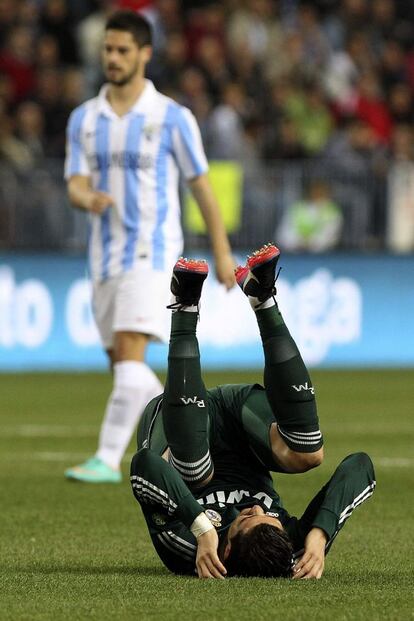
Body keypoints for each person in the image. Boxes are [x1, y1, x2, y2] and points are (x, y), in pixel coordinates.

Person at [130, 243, 376, 579]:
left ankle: (184, 305)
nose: (256, 507)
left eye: (246, 518)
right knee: (308, 452)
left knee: (193, 472)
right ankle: (263, 298)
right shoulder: (291, 545)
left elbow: (144, 465)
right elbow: (360, 465)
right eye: (270, 515)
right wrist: (319, 536)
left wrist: (202, 529)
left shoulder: (189, 549)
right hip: (243, 425)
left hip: (180, 424)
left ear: (227, 549)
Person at [64, 10, 235, 484]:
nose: (113, 58)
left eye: (122, 50)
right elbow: (74, 183)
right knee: (126, 368)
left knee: (128, 351)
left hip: (152, 252)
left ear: (144, 54)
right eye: (107, 49)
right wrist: (86, 197)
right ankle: (184, 439)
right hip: (104, 257)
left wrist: (221, 251)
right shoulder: (84, 119)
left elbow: (201, 186)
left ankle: (105, 458)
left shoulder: (171, 118)